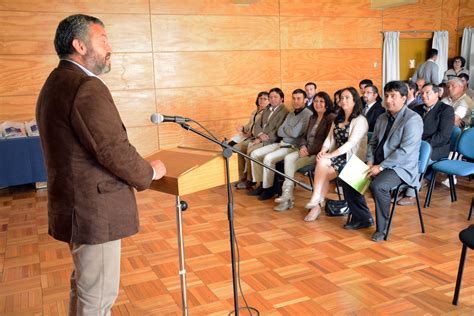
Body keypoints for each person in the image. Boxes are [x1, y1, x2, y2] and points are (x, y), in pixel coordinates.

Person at [36, 15, 166, 315]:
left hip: (72, 205)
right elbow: (111, 149)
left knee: (85, 286)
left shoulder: (55, 82)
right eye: (103, 39)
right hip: (93, 211)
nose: (110, 47)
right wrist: (149, 172)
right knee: (98, 297)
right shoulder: (85, 86)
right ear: (80, 45)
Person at [345, 81, 423, 241]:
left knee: (378, 186)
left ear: (403, 98)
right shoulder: (382, 117)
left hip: (401, 167)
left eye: (393, 96)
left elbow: (405, 152)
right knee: (348, 178)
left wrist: (380, 167)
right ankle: (363, 218)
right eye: (387, 96)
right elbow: (373, 143)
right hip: (377, 164)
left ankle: (382, 228)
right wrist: (369, 162)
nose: (388, 100)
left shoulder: (413, 119)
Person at [304, 87, 368, 222]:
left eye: (347, 98)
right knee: (321, 161)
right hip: (337, 157)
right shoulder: (338, 118)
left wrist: (331, 154)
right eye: (341, 98)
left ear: (355, 100)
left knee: (323, 174)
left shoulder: (360, 120)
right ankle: (316, 198)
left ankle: (316, 204)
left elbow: (351, 143)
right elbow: (329, 138)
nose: (343, 100)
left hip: (353, 159)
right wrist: (323, 151)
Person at [274, 91, 336, 211]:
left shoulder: (330, 118)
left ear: (327, 104)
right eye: (316, 101)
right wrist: (303, 146)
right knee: (288, 158)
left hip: (318, 154)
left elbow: (326, 141)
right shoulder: (313, 117)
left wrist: (309, 150)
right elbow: (304, 136)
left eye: (321, 101)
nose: (318, 104)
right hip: (305, 149)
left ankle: (287, 197)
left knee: (291, 166)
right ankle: (287, 195)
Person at [397, 83, 454, 206]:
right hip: (415, 145)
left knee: (415, 160)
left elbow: (443, 136)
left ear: (437, 94)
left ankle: (411, 194)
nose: (424, 95)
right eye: (422, 93)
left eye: (428, 92)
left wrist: (422, 146)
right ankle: (399, 188)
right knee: (399, 154)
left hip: (436, 147)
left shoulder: (446, 110)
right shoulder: (417, 109)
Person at [249, 89, 312, 200]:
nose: (296, 101)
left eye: (299, 98)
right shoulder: (292, 113)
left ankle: (268, 189)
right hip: (281, 143)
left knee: (268, 158)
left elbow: (295, 133)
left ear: (305, 100)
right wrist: (288, 130)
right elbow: (280, 131)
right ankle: (261, 184)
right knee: (255, 154)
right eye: (294, 98)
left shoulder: (307, 115)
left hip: (291, 147)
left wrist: (286, 130)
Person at [246, 88, 289, 192]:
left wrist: (262, 140)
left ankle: (259, 183)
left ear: (281, 99)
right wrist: (260, 135)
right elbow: (257, 124)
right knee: (250, 150)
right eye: (270, 97)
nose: (272, 99)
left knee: (252, 152)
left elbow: (278, 130)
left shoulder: (284, 111)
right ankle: (257, 181)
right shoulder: (267, 108)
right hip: (262, 137)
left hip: (272, 141)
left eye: (275, 97)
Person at [233, 91, 269, 189]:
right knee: (236, 149)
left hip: (257, 139)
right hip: (250, 136)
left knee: (249, 151)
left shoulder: (267, 113)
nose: (262, 100)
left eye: (265, 99)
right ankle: (242, 177)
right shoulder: (255, 111)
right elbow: (249, 125)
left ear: (269, 101)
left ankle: (250, 179)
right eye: (260, 98)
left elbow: (264, 130)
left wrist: (254, 135)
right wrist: (243, 129)